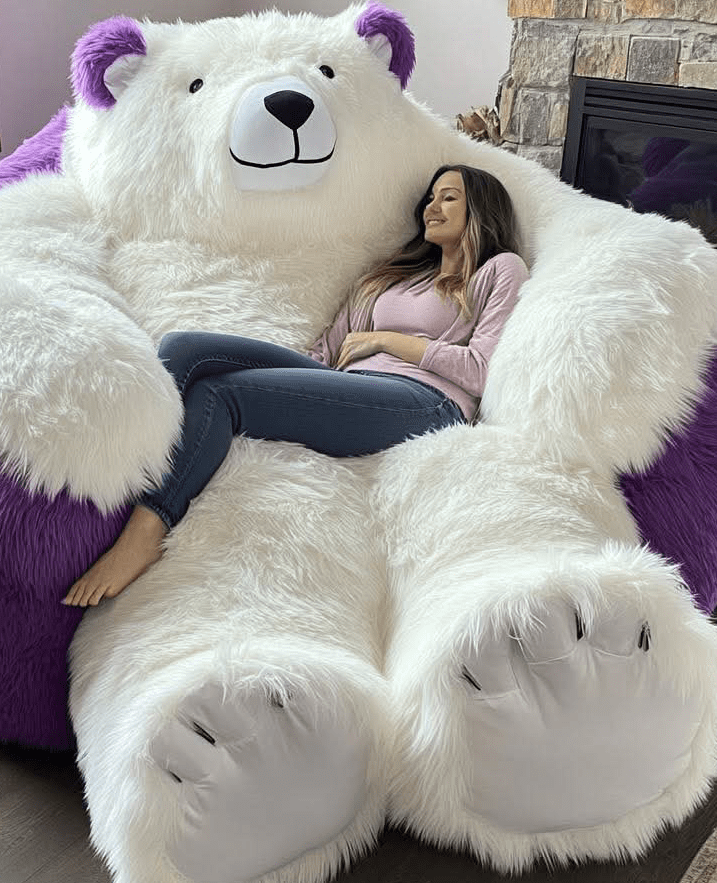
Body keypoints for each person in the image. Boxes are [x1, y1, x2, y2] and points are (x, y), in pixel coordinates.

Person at [63, 164, 529, 608]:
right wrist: (298, 382)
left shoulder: (500, 269)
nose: (432, 206)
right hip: (350, 384)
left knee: (224, 396)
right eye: (430, 197)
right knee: (185, 347)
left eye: (449, 198)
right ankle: (124, 458)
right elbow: (332, 348)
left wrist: (389, 340)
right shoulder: (397, 274)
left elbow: (479, 370)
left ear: (481, 212)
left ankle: (148, 526)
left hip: (425, 401)